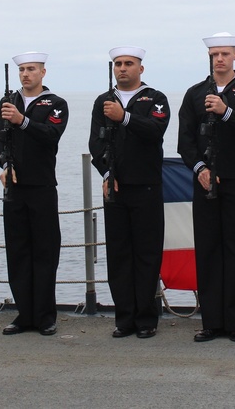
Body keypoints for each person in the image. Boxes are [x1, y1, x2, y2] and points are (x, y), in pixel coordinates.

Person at [178, 32, 235, 343]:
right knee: (208, 250)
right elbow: (184, 141)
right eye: (215, 54)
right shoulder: (194, 93)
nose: (219, 59)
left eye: (225, 54)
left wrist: (226, 111)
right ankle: (210, 322)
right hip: (205, 182)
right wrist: (199, 168)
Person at [88, 46, 170, 339]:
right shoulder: (103, 101)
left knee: (146, 255)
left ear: (140, 68)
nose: (122, 68)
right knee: (119, 254)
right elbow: (95, 144)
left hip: (146, 185)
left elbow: (154, 131)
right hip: (115, 187)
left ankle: (147, 319)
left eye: (128, 64)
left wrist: (124, 117)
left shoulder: (155, 99)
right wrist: (107, 173)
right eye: (118, 64)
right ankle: (124, 318)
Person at [0, 52, 67, 337]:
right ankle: (25, 314)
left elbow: (50, 135)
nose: (25, 74)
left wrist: (22, 120)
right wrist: (5, 163)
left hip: (42, 186)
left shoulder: (56, 104)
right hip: (15, 188)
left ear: (43, 73)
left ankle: (46, 316)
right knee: (18, 252)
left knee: (45, 253)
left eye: (31, 69)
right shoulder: (7, 102)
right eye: (22, 69)